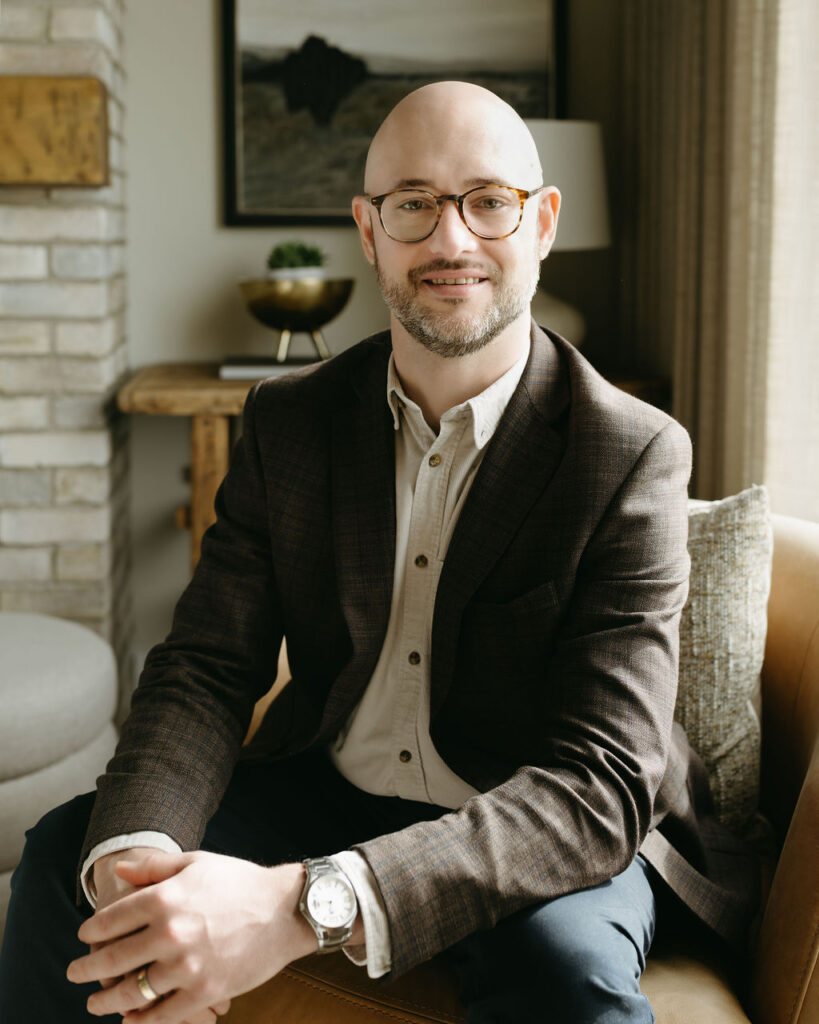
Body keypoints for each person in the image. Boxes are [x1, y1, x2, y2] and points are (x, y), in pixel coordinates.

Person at [0, 82, 755, 1024]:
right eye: (413, 204)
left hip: (529, 817)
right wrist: (135, 861)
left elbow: (599, 779)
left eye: (488, 201)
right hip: (332, 780)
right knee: (65, 864)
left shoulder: (629, 450)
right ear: (368, 230)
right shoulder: (290, 422)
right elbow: (205, 666)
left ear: (543, 222)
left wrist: (304, 901)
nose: (451, 241)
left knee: (562, 977)